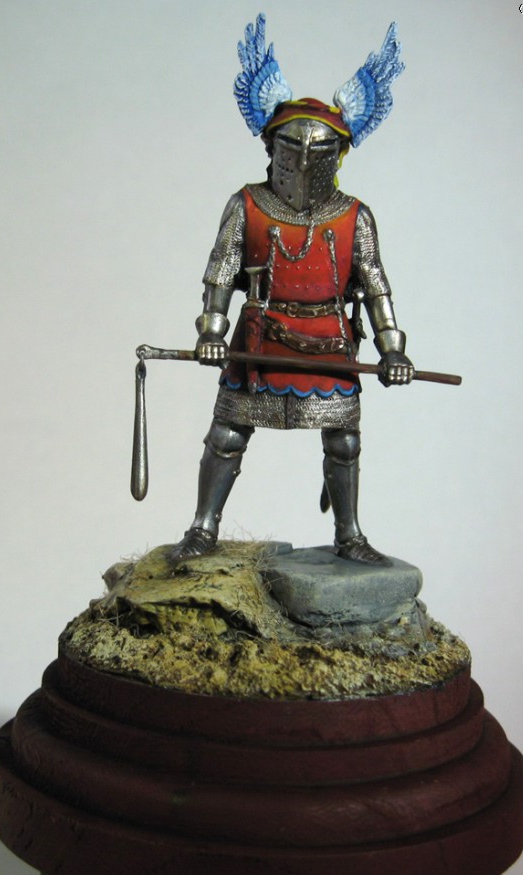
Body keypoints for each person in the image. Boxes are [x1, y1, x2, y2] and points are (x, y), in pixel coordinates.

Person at [171, 20, 412, 564]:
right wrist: (211, 332)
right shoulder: (246, 205)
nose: (303, 161)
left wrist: (392, 349)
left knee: (343, 441)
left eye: (319, 151)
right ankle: (203, 528)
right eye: (291, 149)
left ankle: (349, 535)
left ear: (338, 154)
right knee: (227, 433)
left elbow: (374, 284)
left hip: (329, 338)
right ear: (272, 147)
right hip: (259, 334)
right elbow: (220, 272)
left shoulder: (354, 217)